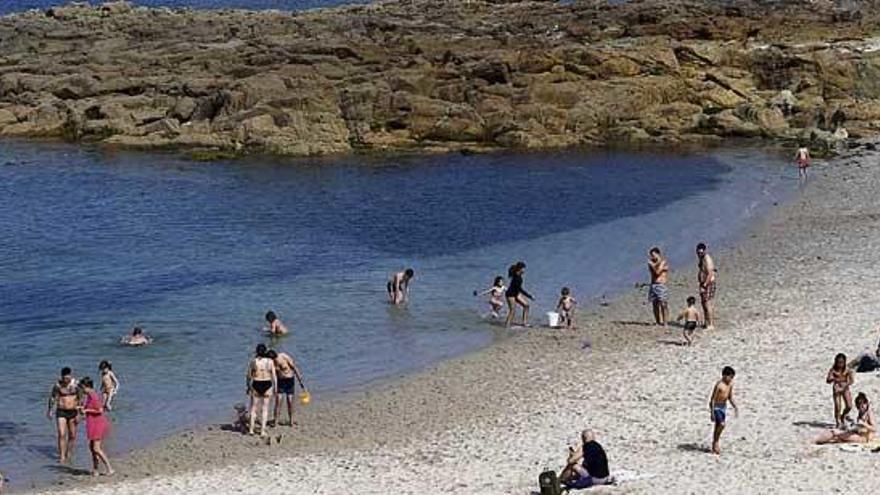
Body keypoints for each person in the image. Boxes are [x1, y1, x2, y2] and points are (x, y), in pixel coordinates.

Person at [77, 377, 113, 476]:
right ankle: (95, 469)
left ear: (86, 387)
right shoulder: (89, 396)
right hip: (92, 423)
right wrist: (82, 408)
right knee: (91, 448)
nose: (82, 390)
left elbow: (100, 410)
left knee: (96, 448)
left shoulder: (94, 396)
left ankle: (109, 468)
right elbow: (91, 407)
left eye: (82, 388)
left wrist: (87, 411)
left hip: (98, 424)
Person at [47, 367, 80, 464]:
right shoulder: (58, 385)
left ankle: (69, 453)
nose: (66, 379)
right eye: (65, 378)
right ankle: (62, 456)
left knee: (72, 435)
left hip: (73, 411)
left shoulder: (76, 385)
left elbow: (81, 397)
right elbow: (52, 397)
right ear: (62, 377)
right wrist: (50, 410)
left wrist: (81, 412)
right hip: (61, 411)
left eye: (68, 377)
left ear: (71, 375)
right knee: (61, 434)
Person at [268, 349, 306, 427]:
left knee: (289, 400)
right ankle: (276, 421)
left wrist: (300, 381)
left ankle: (291, 421)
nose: (275, 361)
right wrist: (273, 386)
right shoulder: (271, 363)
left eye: (275, 360)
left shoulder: (283, 356)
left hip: (289, 380)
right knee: (278, 401)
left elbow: (294, 367)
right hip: (280, 382)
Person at [246, 344, 277, 436]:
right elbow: (274, 376)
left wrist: (248, 386)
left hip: (256, 383)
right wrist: (276, 387)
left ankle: (251, 430)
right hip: (267, 383)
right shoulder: (270, 361)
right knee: (265, 408)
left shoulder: (254, 361)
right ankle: (262, 431)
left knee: (253, 408)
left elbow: (248, 376)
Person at [709, 366, 738, 455]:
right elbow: (712, 399)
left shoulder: (730, 385)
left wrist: (735, 406)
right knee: (722, 424)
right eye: (730, 377)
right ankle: (716, 442)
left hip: (723, 407)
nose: (731, 379)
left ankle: (715, 443)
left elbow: (730, 397)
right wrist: (712, 412)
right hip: (716, 407)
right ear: (725, 375)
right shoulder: (719, 385)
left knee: (718, 426)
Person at [827, 353, 854, 429]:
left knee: (849, 405)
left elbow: (852, 380)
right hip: (837, 388)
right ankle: (838, 421)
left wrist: (846, 384)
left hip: (845, 387)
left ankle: (843, 416)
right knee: (837, 406)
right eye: (839, 362)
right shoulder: (833, 370)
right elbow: (828, 380)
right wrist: (833, 379)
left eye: (842, 362)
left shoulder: (847, 369)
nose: (840, 364)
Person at [504, 261, 533, 328]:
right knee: (512, 310)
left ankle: (525, 323)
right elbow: (520, 289)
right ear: (519, 269)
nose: (524, 270)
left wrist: (528, 296)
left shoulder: (519, 276)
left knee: (526, 305)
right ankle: (507, 325)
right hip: (510, 294)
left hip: (516, 293)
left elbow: (518, 290)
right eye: (523, 269)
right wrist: (529, 296)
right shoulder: (517, 278)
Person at [696, 243, 717, 330]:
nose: (699, 254)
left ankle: (711, 324)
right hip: (703, 283)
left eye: (701, 252)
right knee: (704, 303)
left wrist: (704, 285)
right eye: (698, 253)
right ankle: (706, 322)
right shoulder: (701, 258)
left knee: (707, 303)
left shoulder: (707, 259)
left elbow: (710, 273)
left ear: (704, 251)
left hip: (708, 283)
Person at [647, 247, 669, 326]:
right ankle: (658, 321)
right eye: (651, 255)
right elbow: (654, 272)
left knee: (663, 303)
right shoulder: (651, 263)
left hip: (661, 285)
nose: (652, 257)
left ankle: (665, 322)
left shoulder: (663, 262)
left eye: (653, 255)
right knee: (655, 304)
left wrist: (653, 265)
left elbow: (657, 272)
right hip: (653, 285)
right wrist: (653, 265)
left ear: (658, 254)